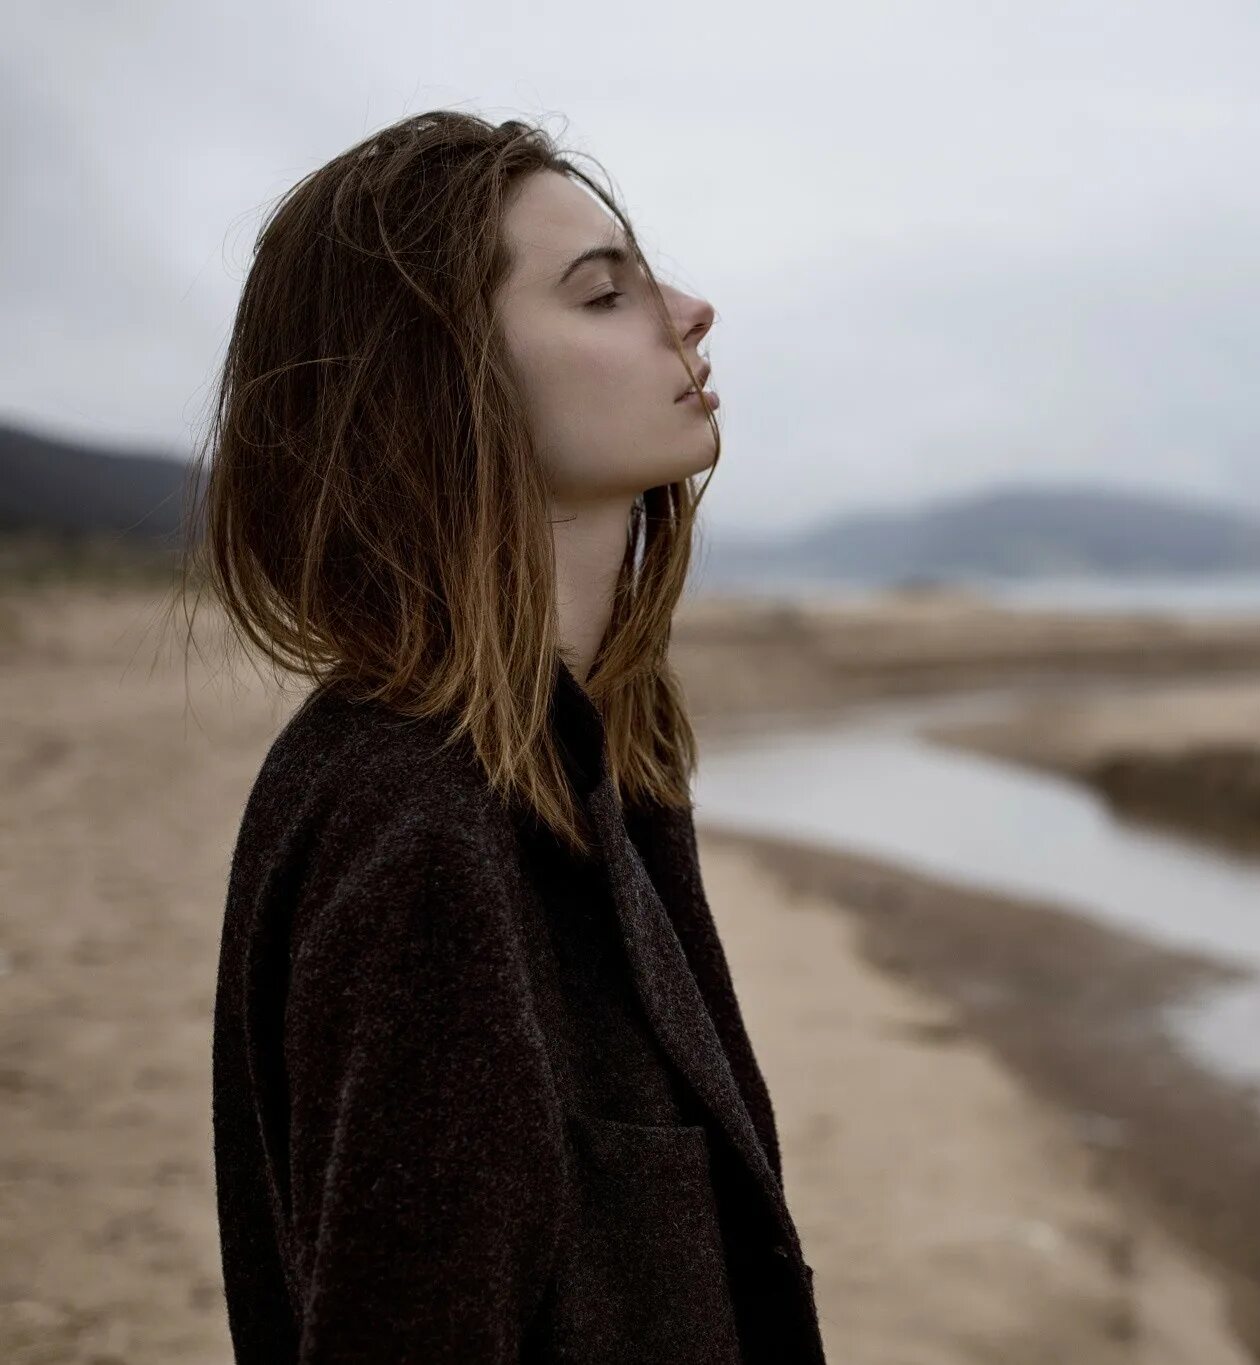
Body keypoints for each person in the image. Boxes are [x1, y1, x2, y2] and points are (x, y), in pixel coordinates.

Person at [177, 110, 825, 1363]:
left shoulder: (584, 757)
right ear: (443, 382)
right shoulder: (419, 822)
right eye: (602, 295)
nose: (691, 312)